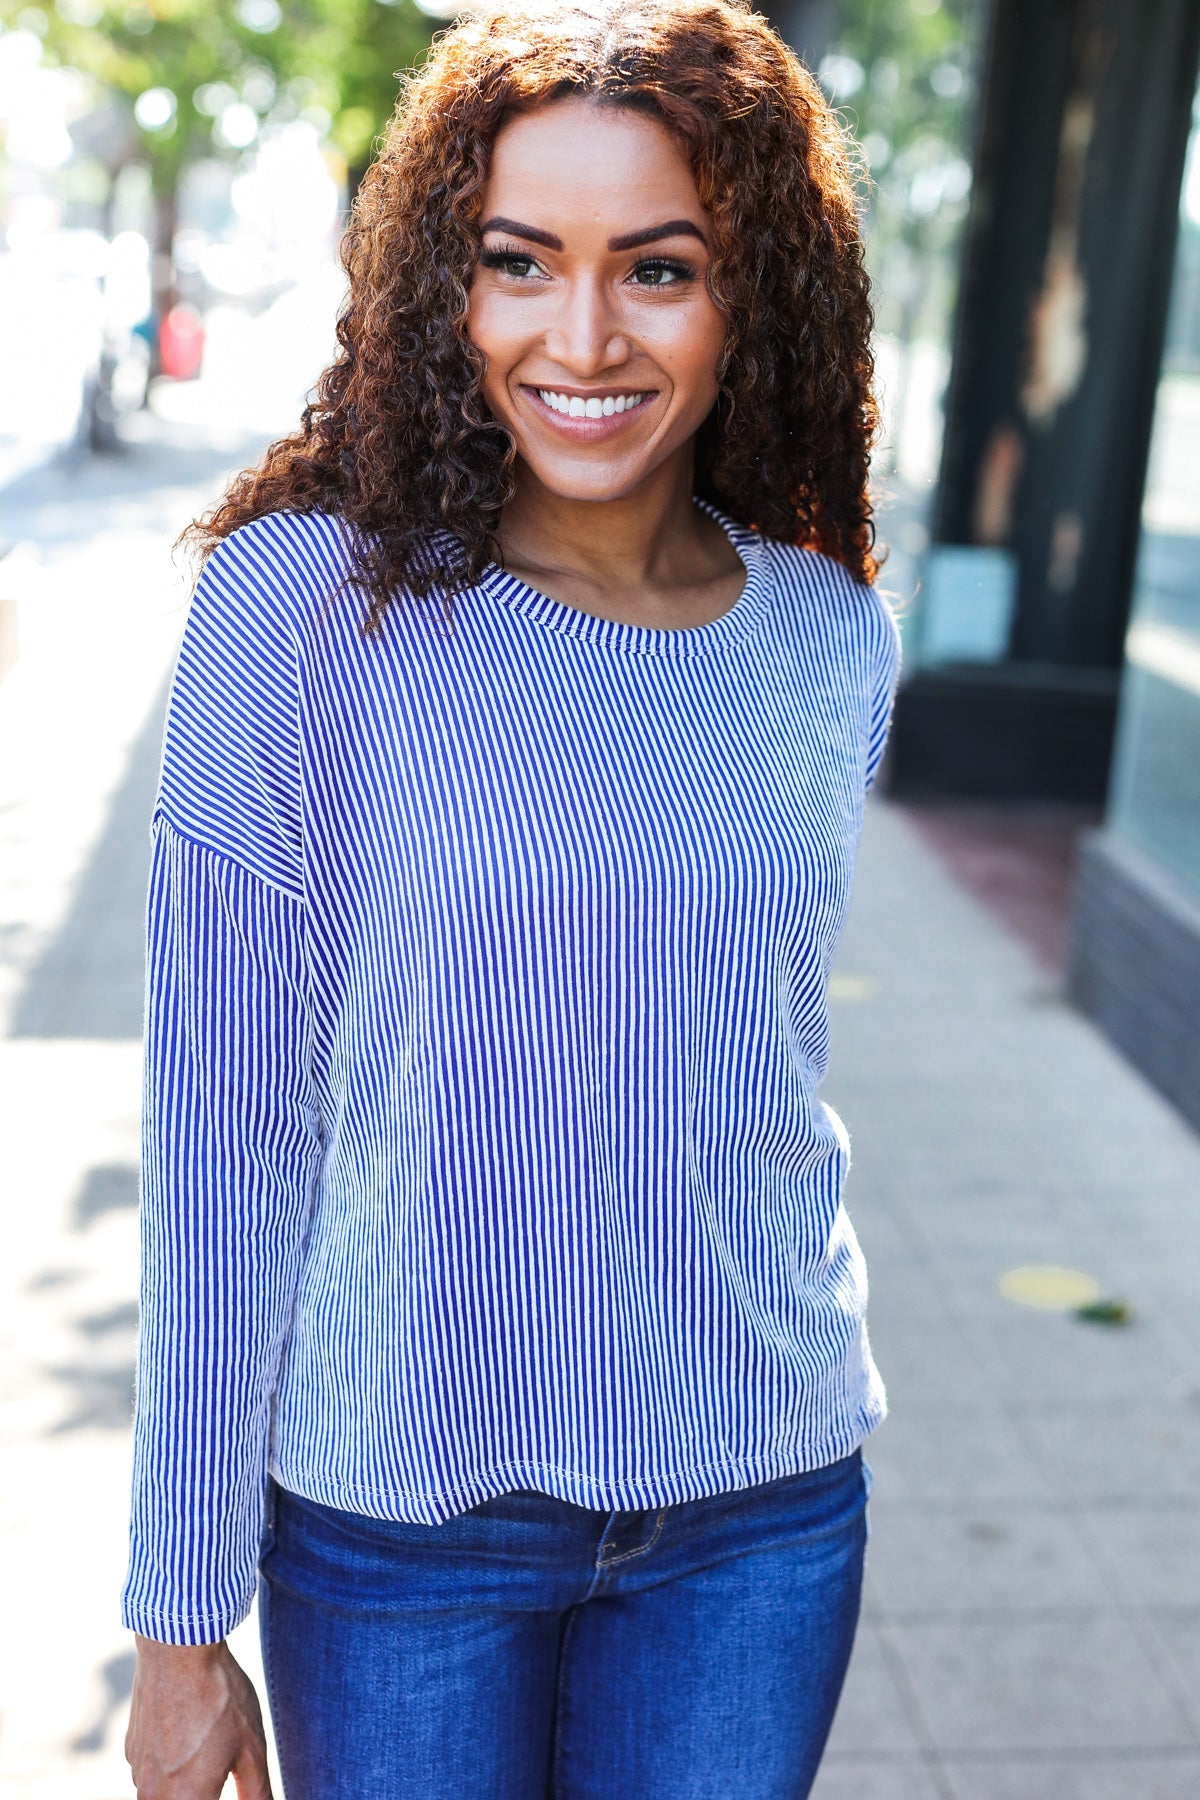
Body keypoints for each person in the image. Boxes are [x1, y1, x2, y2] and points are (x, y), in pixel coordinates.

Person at [121, 0, 904, 1793]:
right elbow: (225, 1142)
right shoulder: (298, 615)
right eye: (519, 262)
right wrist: (180, 1618)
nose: (584, 333)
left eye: (660, 268)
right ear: (441, 287)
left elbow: (739, 1066)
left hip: (758, 1509)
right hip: (403, 1531)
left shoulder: (825, 636)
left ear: (751, 295)